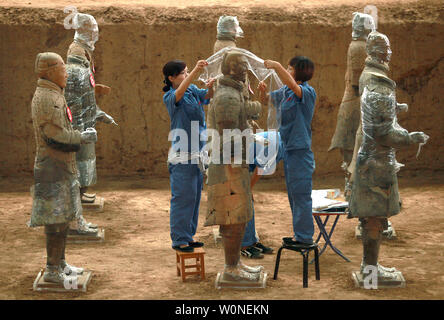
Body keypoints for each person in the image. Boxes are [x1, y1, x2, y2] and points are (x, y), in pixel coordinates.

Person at [349, 31, 428, 284]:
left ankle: (370, 270)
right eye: (388, 49)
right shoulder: (379, 83)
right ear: (384, 53)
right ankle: (370, 274)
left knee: (374, 218)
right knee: (374, 219)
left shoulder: (368, 76)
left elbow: (375, 118)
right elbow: (382, 132)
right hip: (377, 163)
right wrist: (409, 137)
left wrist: (394, 109)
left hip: (372, 161)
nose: (390, 54)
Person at [30, 52, 97, 283]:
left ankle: (61, 263)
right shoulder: (48, 98)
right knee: (55, 220)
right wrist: (81, 137)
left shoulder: (54, 93)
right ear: (49, 71)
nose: (66, 73)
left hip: (60, 165)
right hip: (52, 166)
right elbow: (53, 137)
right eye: (62, 69)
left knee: (64, 217)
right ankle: (52, 269)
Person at [259, 56, 316, 247]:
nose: (287, 71)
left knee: (301, 195)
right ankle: (299, 234)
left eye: (290, 68)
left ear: (299, 72)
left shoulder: (307, 92)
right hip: (289, 149)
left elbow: (292, 85)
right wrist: (262, 92)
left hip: (300, 152)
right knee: (293, 195)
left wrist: (276, 65)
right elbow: (269, 100)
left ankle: (305, 236)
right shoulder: (286, 91)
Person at [163, 59, 214, 252]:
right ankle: (179, 239)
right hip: (182, 156)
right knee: (182, 198)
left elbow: (207, 96)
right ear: (171, 78)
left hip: (197, 154)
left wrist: (211, 87)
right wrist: (195, 71)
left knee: (193, 198)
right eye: (182, 73)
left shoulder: (192, 90)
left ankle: (188, 235)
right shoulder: (170, 97)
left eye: (186, 72)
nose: (186, 75)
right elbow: (179, 92)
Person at [241, 130, 284, 259]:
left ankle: (252, 241)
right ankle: (244, 245)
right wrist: (248, 189)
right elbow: (260, 168)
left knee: (248, 202)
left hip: (245, 162)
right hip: (235, 162)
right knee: (244, 203)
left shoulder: (283, 140)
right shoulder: (278, 145)